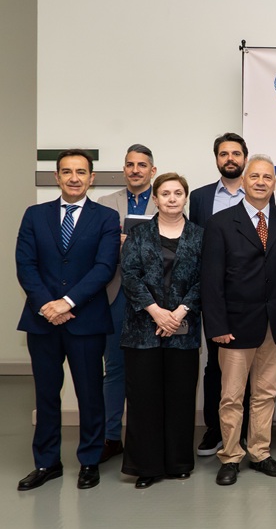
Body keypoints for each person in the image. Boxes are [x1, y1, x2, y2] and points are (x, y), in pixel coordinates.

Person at [15, 149, 120, 490]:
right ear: (56, 177)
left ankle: (89, 461)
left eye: (81, 172)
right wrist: (49, 304)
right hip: (41, 320)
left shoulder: (105, 218)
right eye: (66, 171)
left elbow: (104, 268)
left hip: (86, 319)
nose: (74, 177)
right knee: (47, 395)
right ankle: (47, 463)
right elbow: (26, 265)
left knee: (90, 394)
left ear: (92, 178)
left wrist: (68, 302)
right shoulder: (34, 215)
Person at [201, 155, 276, 486]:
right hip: (234, 326)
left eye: (267, 177)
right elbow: (211, 281)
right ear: (243, 182)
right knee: (231, 396)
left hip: (274, 325)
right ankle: (230, 457)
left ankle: (260, 452)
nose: (261, 181)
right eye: (254, 176)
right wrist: (217, 326)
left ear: (275, 183)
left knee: (265, 393)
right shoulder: (220, 223)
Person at [119, 173, 203, 488]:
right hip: (143, 329)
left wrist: (179, 312)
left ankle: (178, 462)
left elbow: (204, 279)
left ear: (185, 198)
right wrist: (156, 312)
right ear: (155, 198)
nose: (171, 198)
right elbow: (129, 275)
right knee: (144, 399)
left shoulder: (200, 235)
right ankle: (147, 467)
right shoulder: (139, 234)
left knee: (180, 397)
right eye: (165, 193)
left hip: (184, 327)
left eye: (177, 193)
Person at [188, 132, 254, 457]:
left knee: (249, 365)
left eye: (236, 153)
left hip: (249, 296)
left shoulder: (257, 193)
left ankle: (242, 433)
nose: (230, 158)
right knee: (214, 365)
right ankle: (214, 428)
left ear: (245, 157)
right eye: (224, 154)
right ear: (216, 158)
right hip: (213, 294)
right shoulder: (199, 198)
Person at [96, 143, 157, 463]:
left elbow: (174, 250)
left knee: (148, 370)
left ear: (152, 170)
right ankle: (109, 437)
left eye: (142, 165)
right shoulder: (105, 204)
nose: (136, 170)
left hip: (153, 298)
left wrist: (134, 243)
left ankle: (143, 437)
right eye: (130, 164)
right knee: (115, 368)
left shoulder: (166, 201)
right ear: (124, 169)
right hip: (115, 294)